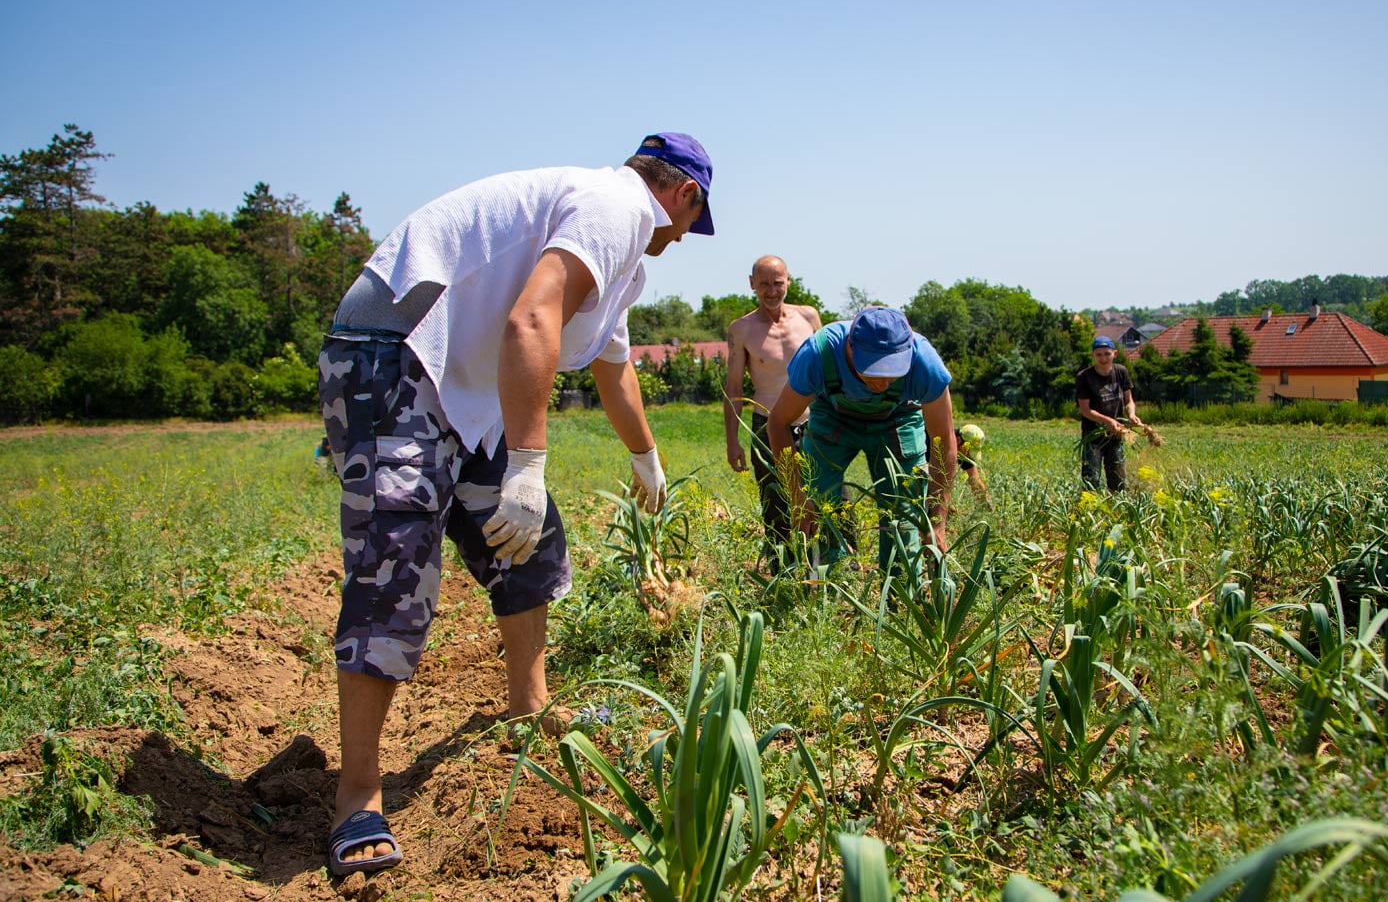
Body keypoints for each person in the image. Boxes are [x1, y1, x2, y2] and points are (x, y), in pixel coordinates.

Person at [316, 133, 715, 876]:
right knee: (395, 563)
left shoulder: (618, 257)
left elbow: (612, 365)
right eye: (694, 222)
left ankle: (528, 710)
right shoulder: (615, 205)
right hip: (391, 354)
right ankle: (358, 797)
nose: (685, 238)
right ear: (683, 196)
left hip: (460, 387)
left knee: (532, 545)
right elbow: (530, 322)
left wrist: (645, 456)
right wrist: (526, 467)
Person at [767, 306, 957, 573]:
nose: (883, 382)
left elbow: (944, 442)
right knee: (819, 510)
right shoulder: (818, 355)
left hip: (898, 420)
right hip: (834, 418)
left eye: (893, 371)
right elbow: (777, 422)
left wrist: (937, 521)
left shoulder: (925, 364)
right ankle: (827, 594)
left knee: (904, 517)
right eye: (873, 370)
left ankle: (898, 602)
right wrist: (798, 497)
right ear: (850, 347)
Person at [722, 256, 823, 566]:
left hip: (814, 424)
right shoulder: (741, 329)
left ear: (788, 281)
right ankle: (784, 574)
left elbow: (825, 372)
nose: (771, 290)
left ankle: (832, 574)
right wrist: (732, 441)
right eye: (763, 283)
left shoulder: (809, 318)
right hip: (767, 426)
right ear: (752, 283)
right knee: (777, 504)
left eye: (777, 283)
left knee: (829, 498)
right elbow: (735, 388)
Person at [1076, 334, 1140, 493]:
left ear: (1115, 354)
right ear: (1093, 355)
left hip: (1116, 434)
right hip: (1093, 436)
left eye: (1107, 354)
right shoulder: (1084, 377)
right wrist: (1107, 421)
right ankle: (1090, 510)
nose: (1103, 358)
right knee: (1091, 478)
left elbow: (1128, 400)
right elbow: (1085, 409)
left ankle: (1116, 509)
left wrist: (1131, 414)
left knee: (1117, 478)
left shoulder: (1121, 372)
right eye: (1099, 354)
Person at [956, 423, 990, 503]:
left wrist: (990, 509)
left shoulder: (963, 451)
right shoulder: (935, 442)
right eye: (968, 450)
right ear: (958, 440)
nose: (968, 455)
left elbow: (975, 481)